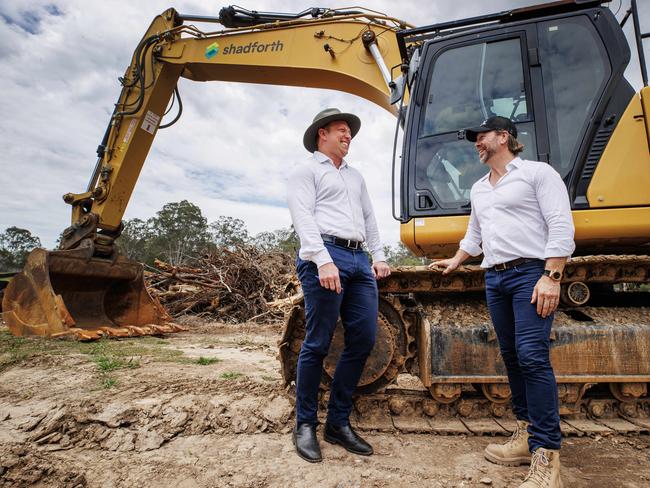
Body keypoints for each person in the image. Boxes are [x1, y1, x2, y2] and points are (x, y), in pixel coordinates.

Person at [429, 116, 574, 488]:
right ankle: (526, 435)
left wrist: (552, 276)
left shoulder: (537, 174)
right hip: (495, 277)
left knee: (532, 356)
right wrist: (457, 259)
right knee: (511, 356)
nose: (476, 143)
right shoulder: (479, 188)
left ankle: (548, 458)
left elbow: (561, 224)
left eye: (481, 136)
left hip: (530, 273)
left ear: (503, 137)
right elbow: (475, 234)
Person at [287, 107, 391, 463]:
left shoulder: (355, 176)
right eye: (342, 130)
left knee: (363, 337)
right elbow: (302, 217)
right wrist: (322, 259)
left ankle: (337, 423)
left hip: (358, 259)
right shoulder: (305, 171)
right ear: (323, 134)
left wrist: (377, 255)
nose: (348, 136)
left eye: (350, 132)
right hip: (325, 254)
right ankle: (304, 425)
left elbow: (368, 217)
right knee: (318, 340)